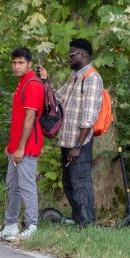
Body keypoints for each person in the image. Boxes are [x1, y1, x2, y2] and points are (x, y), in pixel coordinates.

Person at [38, 38, 103, 227]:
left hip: (78, 144)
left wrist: (77, 146)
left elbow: (89, 117)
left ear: (83, 55)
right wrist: (46, 81)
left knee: (81, 183)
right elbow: (58, 98)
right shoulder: (75, 77)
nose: (69, 58)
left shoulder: (92, 78)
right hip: (67, 142)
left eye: (72, 55)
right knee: (69, 183)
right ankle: (78, 219)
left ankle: (87, 224)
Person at [0, 48, 45, 241]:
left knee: (27, 186)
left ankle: (31, 226)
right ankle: (10, 226)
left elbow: (30, 118)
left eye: (20, 62)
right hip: (17, 146)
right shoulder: (22, 83)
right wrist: (11, 145)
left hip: (28, 146)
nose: (16, 66)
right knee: (12, 186)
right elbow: (19, 118)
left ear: (29, 64)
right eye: (14, 62)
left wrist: (21, 147)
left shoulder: (33, 84)